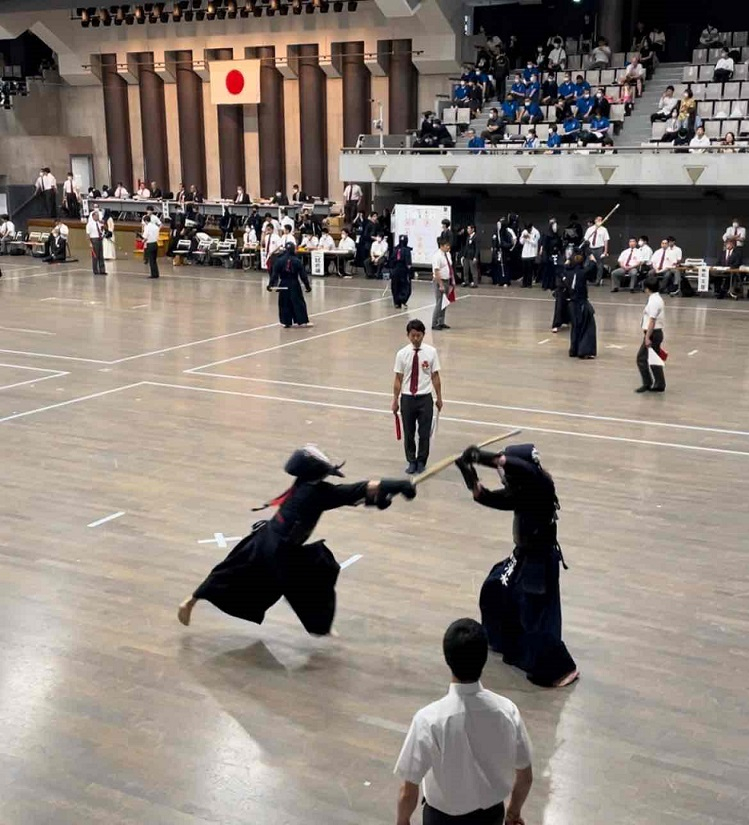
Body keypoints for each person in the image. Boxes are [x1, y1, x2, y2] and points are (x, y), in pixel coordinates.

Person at [178, 446, 416, 633]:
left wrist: (380, 497)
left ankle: (191, 601)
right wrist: (392, 485)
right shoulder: (315, 493)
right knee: (318, 572)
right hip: (280, 551)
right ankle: (320, 626)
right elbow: (355, 490)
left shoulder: (305, 486)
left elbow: (350, 495)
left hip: (266, 539)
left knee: (229, 571)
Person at [454, 444, 578, 687]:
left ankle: (560, 670)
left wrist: (482, 457)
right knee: (494, 587)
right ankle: (504, 641)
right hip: (523, 556)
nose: (505, 478)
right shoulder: (522, 491)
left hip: (540, 561)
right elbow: (483, 496)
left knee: (534, 615)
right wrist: (467, 471)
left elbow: (516, 466)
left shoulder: (540, 484)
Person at [394, 619, 533, 825]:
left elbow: (408, 790)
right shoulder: (507, 711)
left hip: (440, 819)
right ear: (484, 659)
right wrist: (512, 813)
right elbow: (525, 776)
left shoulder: (429, 720)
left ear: (447, 658)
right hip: (491, 816)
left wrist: (402, 821)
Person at [392, 319, 442, 475]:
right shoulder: (402, 354)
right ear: (408, 335)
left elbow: (435, 376)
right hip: (407, 398)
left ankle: (421, 460)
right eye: (413, 336)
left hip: (424, 397)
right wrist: (395, 399)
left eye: (419, 335)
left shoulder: (431, 352)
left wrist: (439, 398)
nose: (416, 339)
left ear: (423, 335)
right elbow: (398, 378)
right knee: (409, 432)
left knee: (424, 432)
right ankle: (411, 460)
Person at [268, 241, 313, 327]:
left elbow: (274, 275)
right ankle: (302, 321)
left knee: (284, 303)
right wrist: (307, 286)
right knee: (298, 302)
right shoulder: (297, 261)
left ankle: (286, 322)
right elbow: (303, 275)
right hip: (294, 283)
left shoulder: (279, 260)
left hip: (283, 283)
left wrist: (271, 285)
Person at [636, 277, 666, 392]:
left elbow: (652, 320)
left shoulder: (654, 301)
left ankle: (647, 382)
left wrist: (647, 337)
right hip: (656, 333)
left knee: (641, 358)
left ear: (647, 288)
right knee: (654, 359)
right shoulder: (656, 298)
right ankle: (659, 383)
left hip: (653, 333)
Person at [567, 248, 598, 358]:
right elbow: (593, 265)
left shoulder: (568, 272)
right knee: (588, 326)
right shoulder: (583, 272)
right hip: (581, 303)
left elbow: (566, 264)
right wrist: (590, 255)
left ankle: (574, 350)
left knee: (575, 326)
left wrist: (571, 257)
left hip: (571, 303)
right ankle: (584, 351)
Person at [431, 234, 456, 331]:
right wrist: (440, 284)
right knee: (439, 302)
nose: (448, 247)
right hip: (439, 281)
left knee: (445, 302)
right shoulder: (437, 256)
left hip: (447, 280)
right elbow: (436, 272)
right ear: (441, 246)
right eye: (446, 245)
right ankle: (434, 323)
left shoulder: (448, 254)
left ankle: (441, 322)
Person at [583, 215, 609, 284]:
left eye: (601, 220)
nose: (599, 221)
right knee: (586, 265)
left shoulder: (604, 229)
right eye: (598, 220)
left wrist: (605, 251)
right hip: (590, 249)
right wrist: (587, 248)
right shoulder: (590, 229)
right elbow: (586, 239)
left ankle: (598, 280)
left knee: (599, 265)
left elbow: (606, 241)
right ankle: (585, 279)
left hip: (599, 249)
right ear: (595, 221)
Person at [390, 235, 413, 309]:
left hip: (395, 270)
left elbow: (391, 260)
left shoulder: (395, 249)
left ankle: (396, 302)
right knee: (405, 286)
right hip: (403, 270)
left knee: (395, 286)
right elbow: (408, 263)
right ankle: (402, 300)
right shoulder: (407, 250)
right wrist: (410, 272)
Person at [541, 217, 564, 290]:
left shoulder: (558, 235)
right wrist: (545, 257)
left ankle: (553, 285)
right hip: (548, 255)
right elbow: (545, 247)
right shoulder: (547, 235)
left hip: (556, 255)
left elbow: (560, 246)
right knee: (547, 270)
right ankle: (546, 285)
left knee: (555, 271)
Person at [86, 209, 107, 276]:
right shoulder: (89, 224)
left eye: (98, 216)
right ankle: (95, 270)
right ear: (93, 216)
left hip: (100, 239)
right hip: (94, 239)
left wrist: (103, 223)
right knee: (95, 256)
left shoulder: (99, 223)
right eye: (97, 216)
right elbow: (87, 234)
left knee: (101, 255)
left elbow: (103, 229)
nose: (98, 217)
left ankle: (102, 270)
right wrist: (90, 242)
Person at [519, 222, 540, 287]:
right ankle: (524, 283)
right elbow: (521, 242)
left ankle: (529, 283)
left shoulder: (536, 232)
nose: (528, 231)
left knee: (530, 270)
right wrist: (524, 238)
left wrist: (528, 238)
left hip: (532, 253)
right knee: (524, 269)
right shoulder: (524, 231)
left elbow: (535, 243)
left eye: (529, 229)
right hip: (525, 253)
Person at [142, 214, 160, 279]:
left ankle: (153, 274)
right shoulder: (155, 226)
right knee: (154, 260)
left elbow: (145, 236)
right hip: (155, 243)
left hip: (150, 244)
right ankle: (156, 273)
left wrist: (143, 240)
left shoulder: (147, 227)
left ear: (146, 221)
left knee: (151, 260)